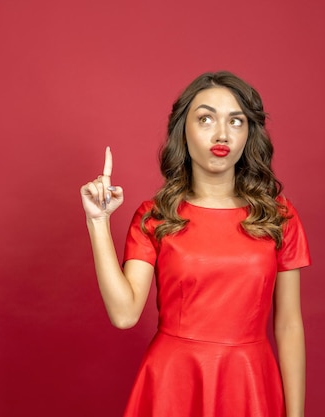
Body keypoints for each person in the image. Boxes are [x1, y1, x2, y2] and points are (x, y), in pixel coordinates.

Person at [79, 71, 311, 417]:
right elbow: (124, 314)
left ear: (249, 133)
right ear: (182, 131)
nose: (222, 134)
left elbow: (289, 325)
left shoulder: (278, 215)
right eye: (205, 119)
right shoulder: (155, 216)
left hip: (249, 383)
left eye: (236, 121)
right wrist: (98, 222)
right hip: (173, 382)